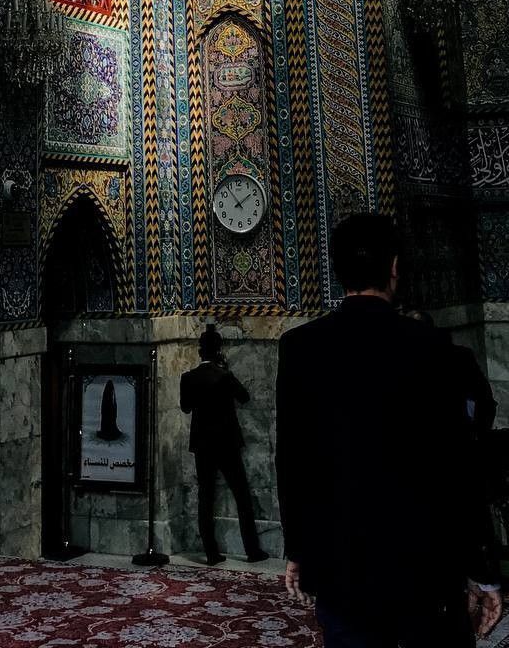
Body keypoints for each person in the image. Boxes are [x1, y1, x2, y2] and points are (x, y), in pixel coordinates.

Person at [275, 212, 502, 648]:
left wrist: (299, 549)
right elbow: (458, 467)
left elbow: (293, 461)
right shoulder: (432, 348)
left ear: (338, 273)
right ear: (395, 267)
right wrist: (482, 570)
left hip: (340, 563)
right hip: (424, 565)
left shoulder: (301, 348)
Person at [180, 323, 268, 565]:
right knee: (241, 496)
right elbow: (244, 397)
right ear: (219, 350)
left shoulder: (188, 378)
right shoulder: (225, 376)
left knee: (205, 497)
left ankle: (211, 553)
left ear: (200, 351)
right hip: (227, 443)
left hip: (202, 445)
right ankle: (252, 550)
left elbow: (186, 406)